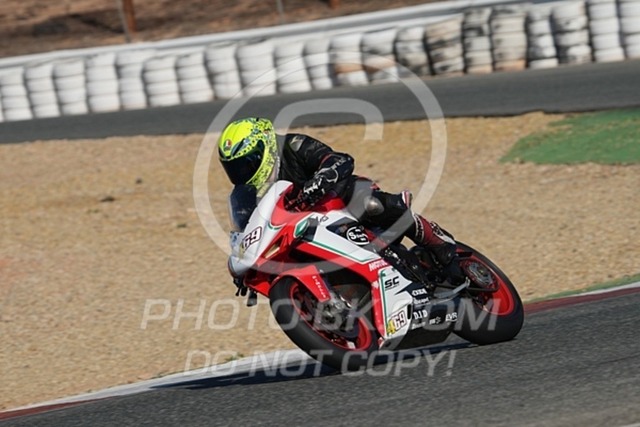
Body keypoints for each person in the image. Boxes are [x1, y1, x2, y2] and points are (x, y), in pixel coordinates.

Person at [218, 117, 465, 285]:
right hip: (302, 228)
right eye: (234, 168)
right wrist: (245, 263)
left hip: (337, 198)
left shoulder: (293, 145)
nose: (242, 172)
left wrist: (323, 178)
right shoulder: (245, 193)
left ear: (266, 145)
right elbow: (248, 229)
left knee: (373, 205)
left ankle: (438, 242)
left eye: (247, 163)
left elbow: (338, 159)